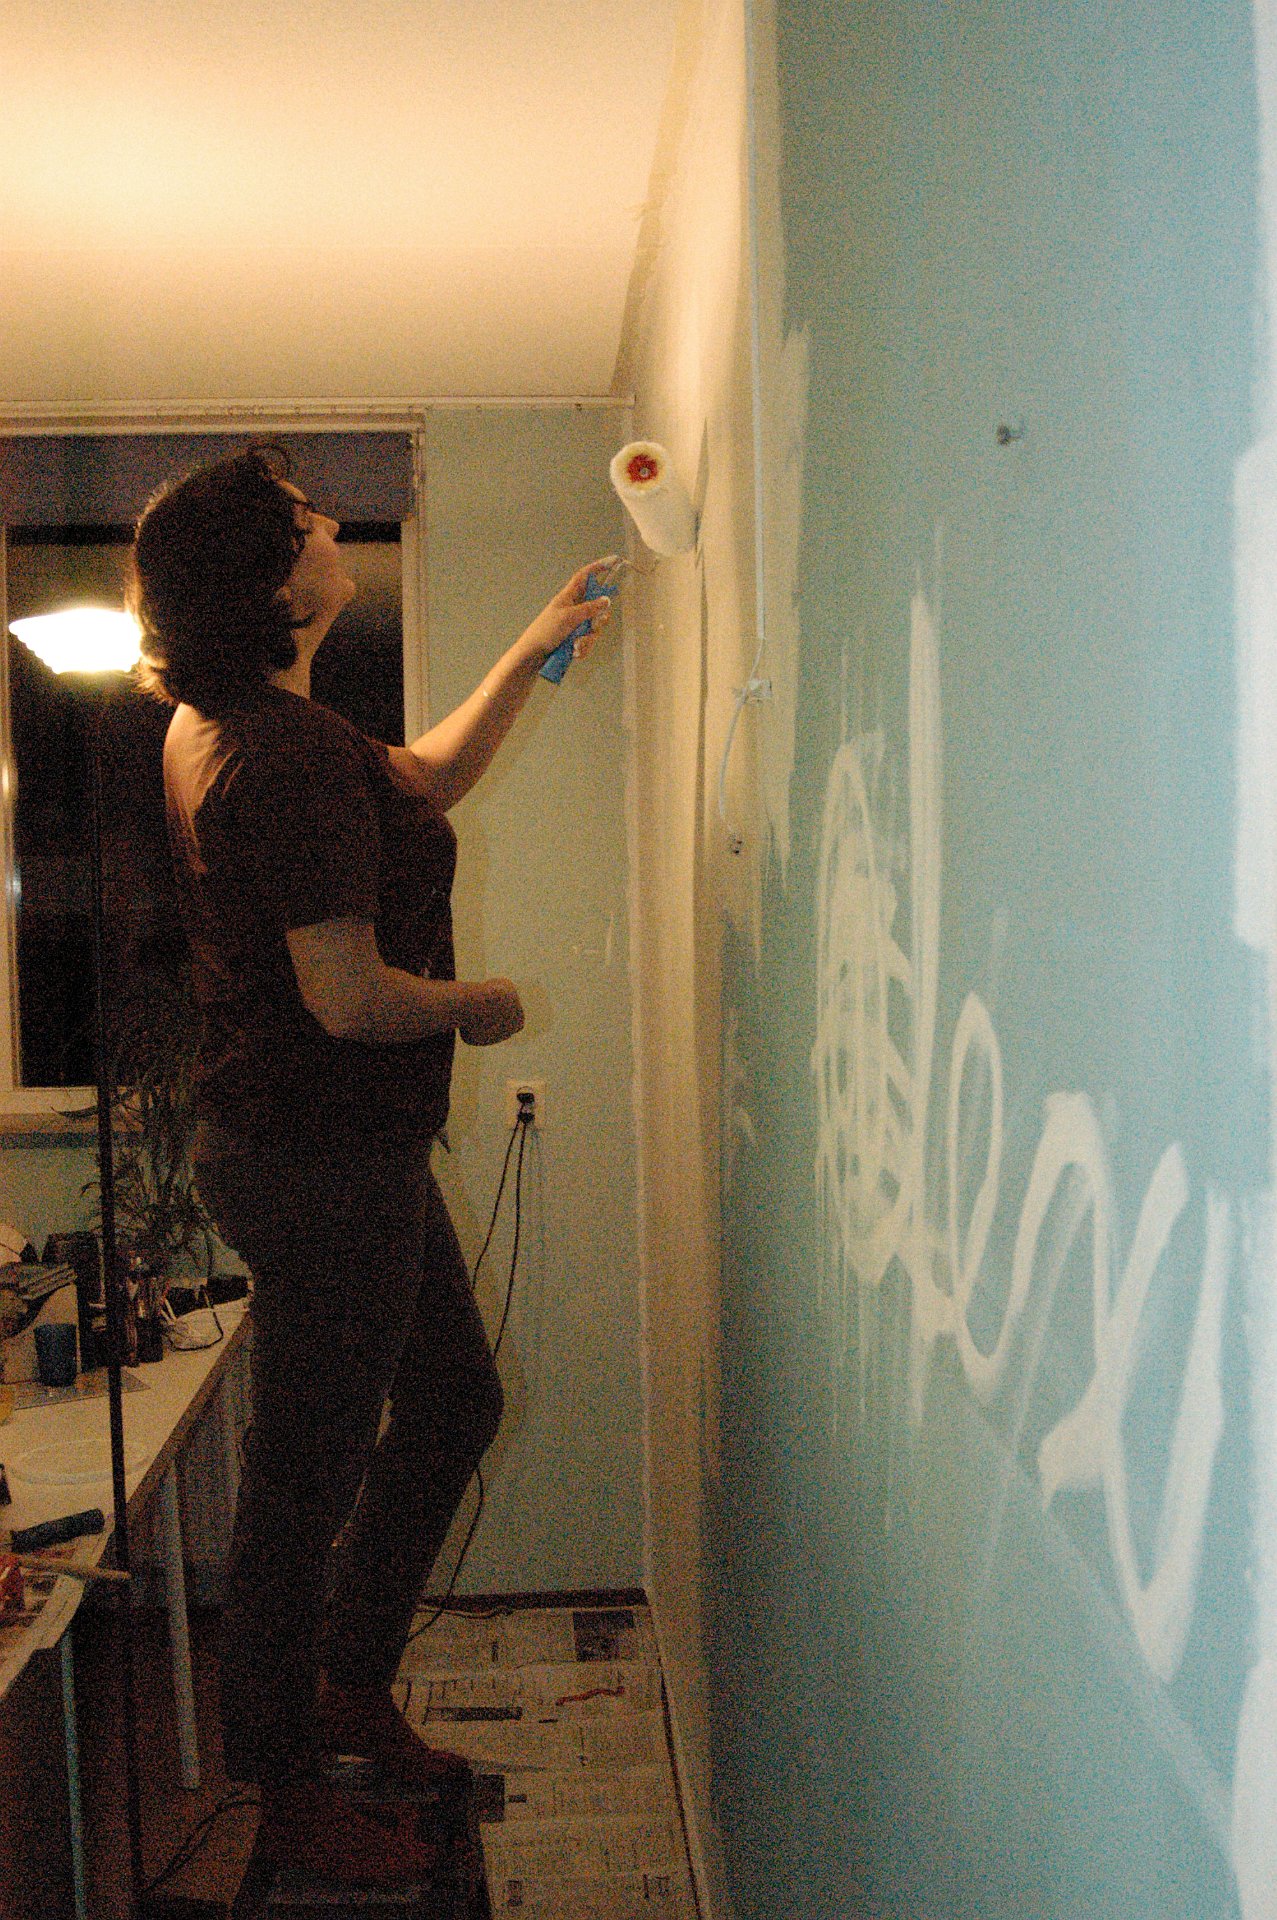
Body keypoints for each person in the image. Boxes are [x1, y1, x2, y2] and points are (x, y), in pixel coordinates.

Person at [129, 444, 612, 1885]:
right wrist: (482, 1003)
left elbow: (425, 778)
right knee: (304, 1480)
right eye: (304, 519)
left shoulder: (241, 725)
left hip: (314, 1150)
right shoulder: (276, 755)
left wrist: (530, 646)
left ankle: (345, 1689)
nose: (332, 521)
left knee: (451, 1403)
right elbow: (347, 999)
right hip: (321, 1161)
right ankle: (286, 1793)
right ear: (276, 586)